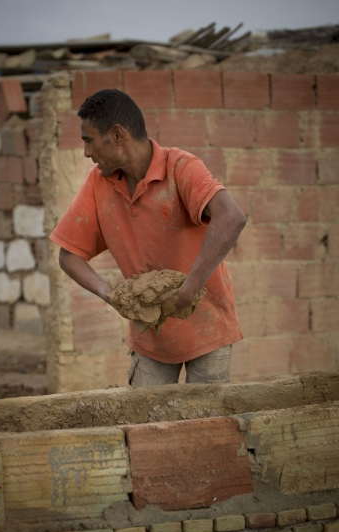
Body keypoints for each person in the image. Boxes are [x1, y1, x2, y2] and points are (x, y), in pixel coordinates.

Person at [49, 89, 246, 387]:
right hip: (150, 338)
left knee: (208, 426)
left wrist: (188, 290)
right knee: (147, 425)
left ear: (117, 135)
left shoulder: (180, 167)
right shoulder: (98, 182)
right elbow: (68, 255)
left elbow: (231, 217)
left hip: (208, 330)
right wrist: (112, 295)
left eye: (88, 140)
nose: (86, 152)